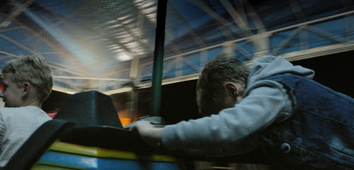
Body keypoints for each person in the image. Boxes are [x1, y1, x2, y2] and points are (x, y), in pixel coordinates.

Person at [131, 55, 354, 169]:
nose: (225, 118)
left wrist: (157, 134)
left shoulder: (273, 90)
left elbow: (228, 129)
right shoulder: (267, 121)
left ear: (233, 89)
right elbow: (234, 144)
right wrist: (186, 148)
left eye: (223, 111)